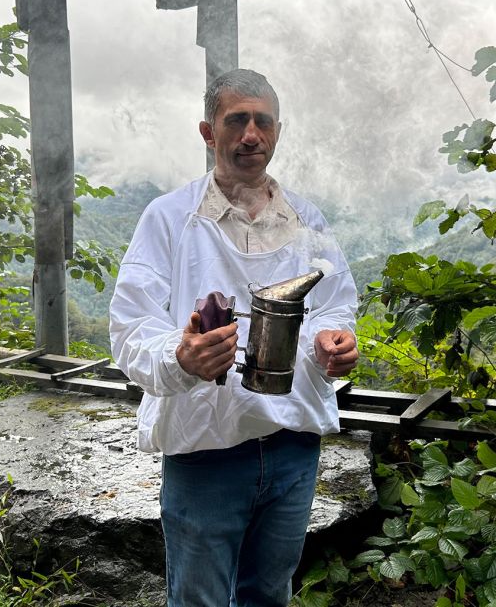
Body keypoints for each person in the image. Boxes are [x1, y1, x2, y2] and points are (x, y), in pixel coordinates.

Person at [108, 68, 359, 607]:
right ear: (208, 132)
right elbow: (131, 327)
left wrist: (330, 342)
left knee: (269, 595)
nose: (251, 135)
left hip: (292, 447)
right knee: (200, 600)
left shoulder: (305, 219)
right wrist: (181, 356)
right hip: (206, 454)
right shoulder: (169, 219)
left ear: (277, 131)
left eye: (262, 122)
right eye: (236, 121)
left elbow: (334, 303)